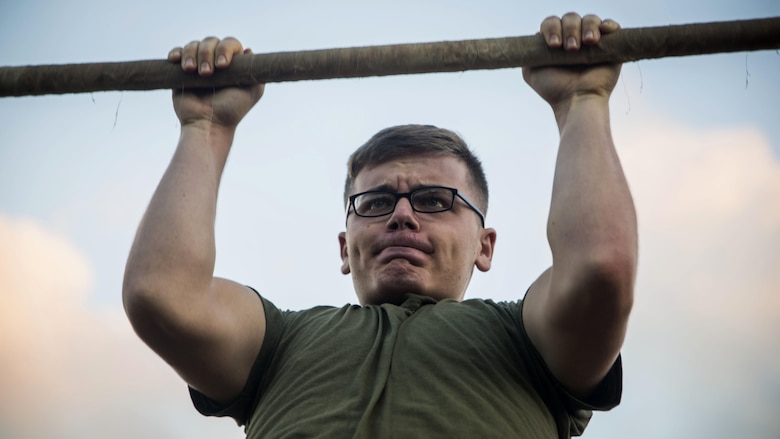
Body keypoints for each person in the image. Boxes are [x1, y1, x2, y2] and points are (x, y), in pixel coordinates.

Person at [123, 12, 637, 439]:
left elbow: (600, 268)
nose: (402, 215)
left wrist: (582, 103)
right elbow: (162, 294)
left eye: (436, 200)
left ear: (485, 245)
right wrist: (205, 128)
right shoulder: (278, 342)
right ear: (346, 247)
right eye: (376, 202)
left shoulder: (524, 338)